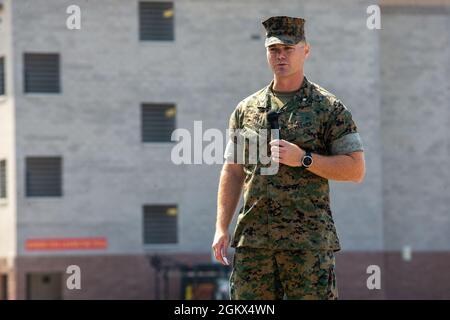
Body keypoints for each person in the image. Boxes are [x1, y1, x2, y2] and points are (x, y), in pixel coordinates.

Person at [212, 16, 365, 300]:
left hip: (307, 246)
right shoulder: (247, 109)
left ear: (305, 50)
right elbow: (233, 171)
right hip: (254, 245)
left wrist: (305, 159)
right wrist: (221, 228)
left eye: (288, 48)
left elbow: (355, 169)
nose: (280, 56)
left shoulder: (328, 108)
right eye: (274, 50)